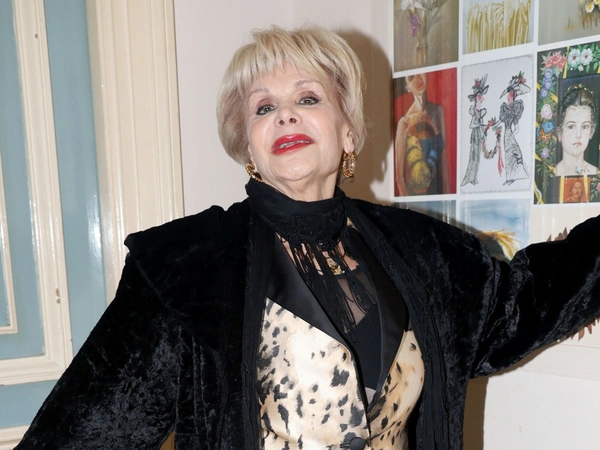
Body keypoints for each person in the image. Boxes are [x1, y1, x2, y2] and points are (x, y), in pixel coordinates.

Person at [15, 26, 600, 450]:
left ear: (348, 132)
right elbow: (85, 430)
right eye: (264, 107)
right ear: (248, 146)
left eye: (308, 98)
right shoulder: (187, 267)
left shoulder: (423, 250)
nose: (286, 115)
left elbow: (526, 302)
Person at [394, 73, 449, 195]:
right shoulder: (405, 123)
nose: (418, 79)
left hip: (437, 191)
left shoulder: (437, 112)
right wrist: (407, 205)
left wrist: (447, 196)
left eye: (420, 73)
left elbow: (443, 161)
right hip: (415, 194)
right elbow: (399, 178)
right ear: (407, 87)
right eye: (411, 77)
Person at [555, 84, 599, 176]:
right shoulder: (550, 174)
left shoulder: (596, 173)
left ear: (591, 131)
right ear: (559, 132)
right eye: (571, 126)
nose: (578, 134)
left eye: (585, 127)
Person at [499, 71, 530, 185]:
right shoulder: (505, 107)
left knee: (513, 153)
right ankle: (510, 177)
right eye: (508, 94)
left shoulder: (517, 106)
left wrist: (512, 135)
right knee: (508, 155)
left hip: (510, 134)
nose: (508, 96)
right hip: (506, 134)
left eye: (510, 93)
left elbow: (516, 126)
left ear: (514, 94)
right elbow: (501, 120)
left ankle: (516, 175)